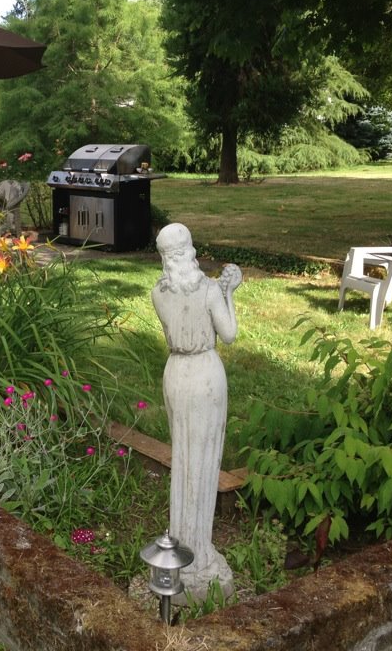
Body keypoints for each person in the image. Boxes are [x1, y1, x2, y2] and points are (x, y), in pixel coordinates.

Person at [152, 223, 242, 601]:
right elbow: (229, 333)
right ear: (189, 251)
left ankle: (180, 545)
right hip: (204, 374)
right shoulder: (208, 290)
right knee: (202, 462)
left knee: (184, 460)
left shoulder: (158, 292)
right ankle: (198, 553)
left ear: (164, 257)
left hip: (176, 373)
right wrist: (228, 292)